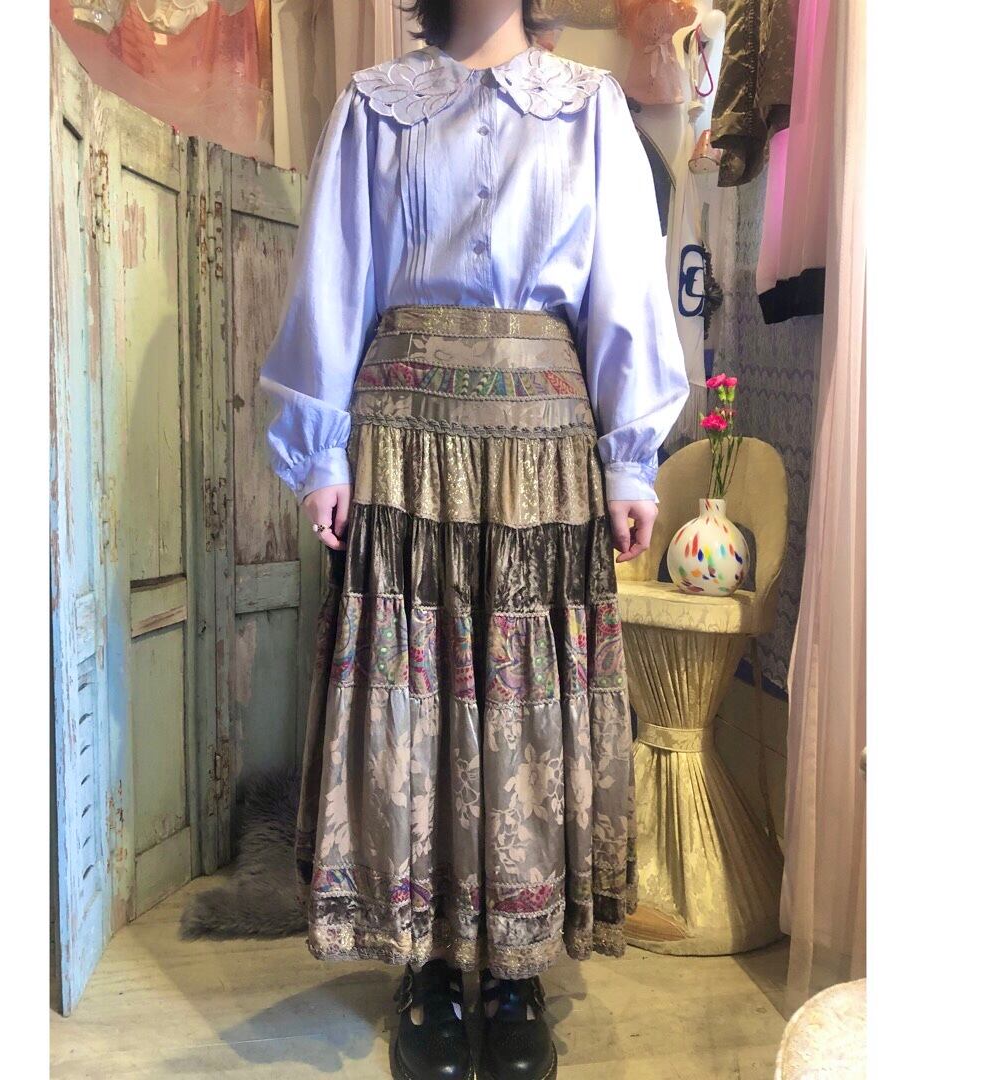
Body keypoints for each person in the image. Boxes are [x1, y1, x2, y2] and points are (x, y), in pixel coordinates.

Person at [259, 2, 688, 1077]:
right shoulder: (373, 107)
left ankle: (515, 968)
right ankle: (431, 966)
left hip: (543, 460)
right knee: (419, 702)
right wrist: (320, 452)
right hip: (403, 454)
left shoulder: (590, 108)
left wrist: (632, 458)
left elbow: (625, 283)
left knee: (519, 707)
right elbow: (334, 279)